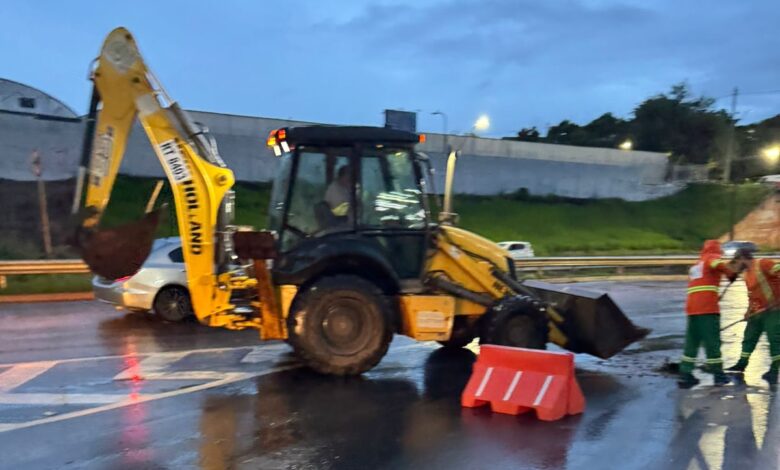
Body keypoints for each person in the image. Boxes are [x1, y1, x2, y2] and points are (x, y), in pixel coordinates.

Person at [679, 240, 738, 388]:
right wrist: (731, 273)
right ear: (716, 250)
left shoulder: (697, 265)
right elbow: (718, 264)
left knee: (692, 342)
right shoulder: (711, 258)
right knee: (712, 342)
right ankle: (719, 376)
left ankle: (686, 375)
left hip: (692, 309)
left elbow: (702, 285)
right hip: (707, 309)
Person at [726, 247, 780, 383]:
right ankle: (741, 364)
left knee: (774, 339)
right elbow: (752, 296)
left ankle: (774, 370)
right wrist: (748, 312)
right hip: (758, 312)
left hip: (773, 311)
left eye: (737, 262)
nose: (737, 266)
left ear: (743, 258)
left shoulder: (763, 264)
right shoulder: (747, 275)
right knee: (748, 337)